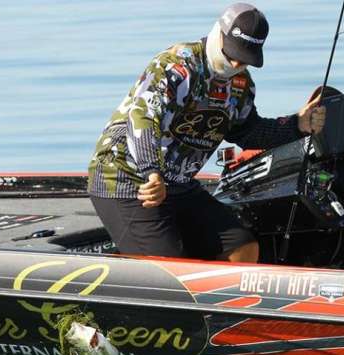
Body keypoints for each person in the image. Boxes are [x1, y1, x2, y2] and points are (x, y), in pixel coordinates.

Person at [87, 3, 325, 263]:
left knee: (242, 247)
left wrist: (297, 125)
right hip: (130, 180)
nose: (236, 62)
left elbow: (249, 133)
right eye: (233, 52)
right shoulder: (177, 65)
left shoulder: (241, 84)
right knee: (171, 269)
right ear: (219, 33)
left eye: (245, 57)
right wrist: (151, 171)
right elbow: (143, 118)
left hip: (179, 185)